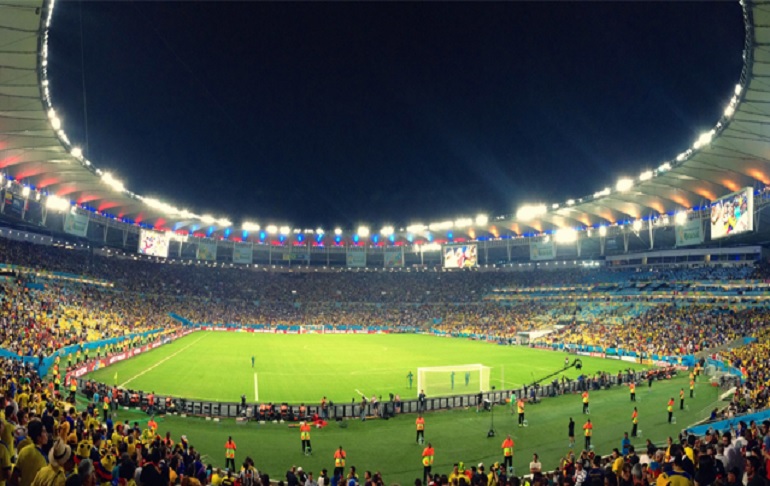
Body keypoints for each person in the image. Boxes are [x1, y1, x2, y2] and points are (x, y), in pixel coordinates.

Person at [13, 420, 49, 486]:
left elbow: (15, 475)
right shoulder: (43, 458)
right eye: (44, 431)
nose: (46, 434)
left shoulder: (24, 451)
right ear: (38, 438)